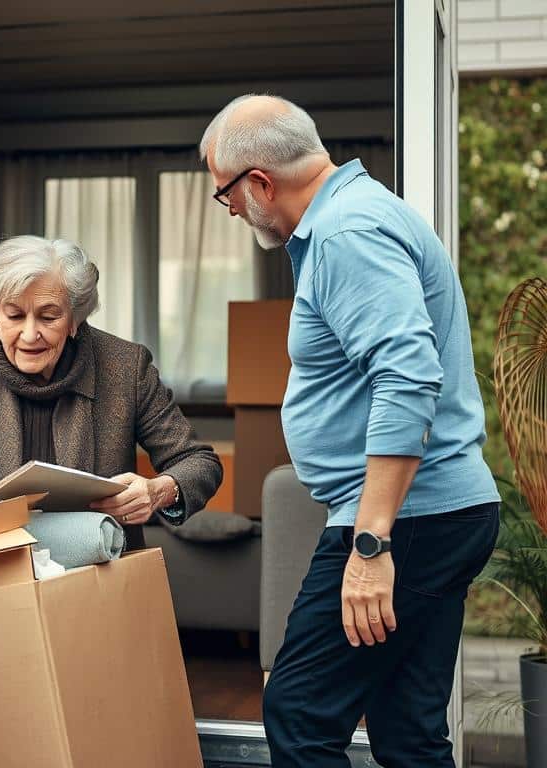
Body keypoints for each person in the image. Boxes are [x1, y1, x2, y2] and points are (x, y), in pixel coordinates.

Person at [201, 94, 500, 767]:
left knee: (301, 709)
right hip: (437, 514)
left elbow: (407, 378)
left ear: (259, 183)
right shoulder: (357, 217)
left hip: (411, 521)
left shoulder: (346, 234)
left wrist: (370, 544)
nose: (229, 211)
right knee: (408, 729)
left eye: (225, 194)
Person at [0, 235, 223, 549]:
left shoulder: (125, 367)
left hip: (101, 566)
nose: (30, 335)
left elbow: (199, 462)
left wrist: (158, 490)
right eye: (15, 315)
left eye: (49, 317)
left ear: (74, 319)